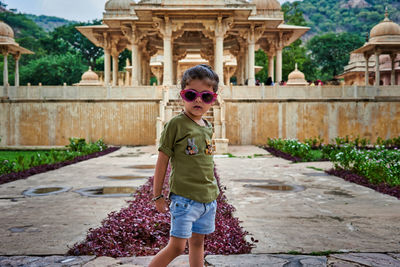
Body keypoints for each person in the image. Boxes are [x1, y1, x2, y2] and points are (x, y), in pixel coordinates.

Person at [149, 64, 219, 267]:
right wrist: (157, 196)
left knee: (198, 243)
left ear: (213, 99)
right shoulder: (176, 124)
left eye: (206, 96)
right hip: (184, 200)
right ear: (182, 95)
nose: (198, 100)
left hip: (207, 200)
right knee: (177, 247)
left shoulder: (208, 126)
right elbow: (162, 161)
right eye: (191, 94)